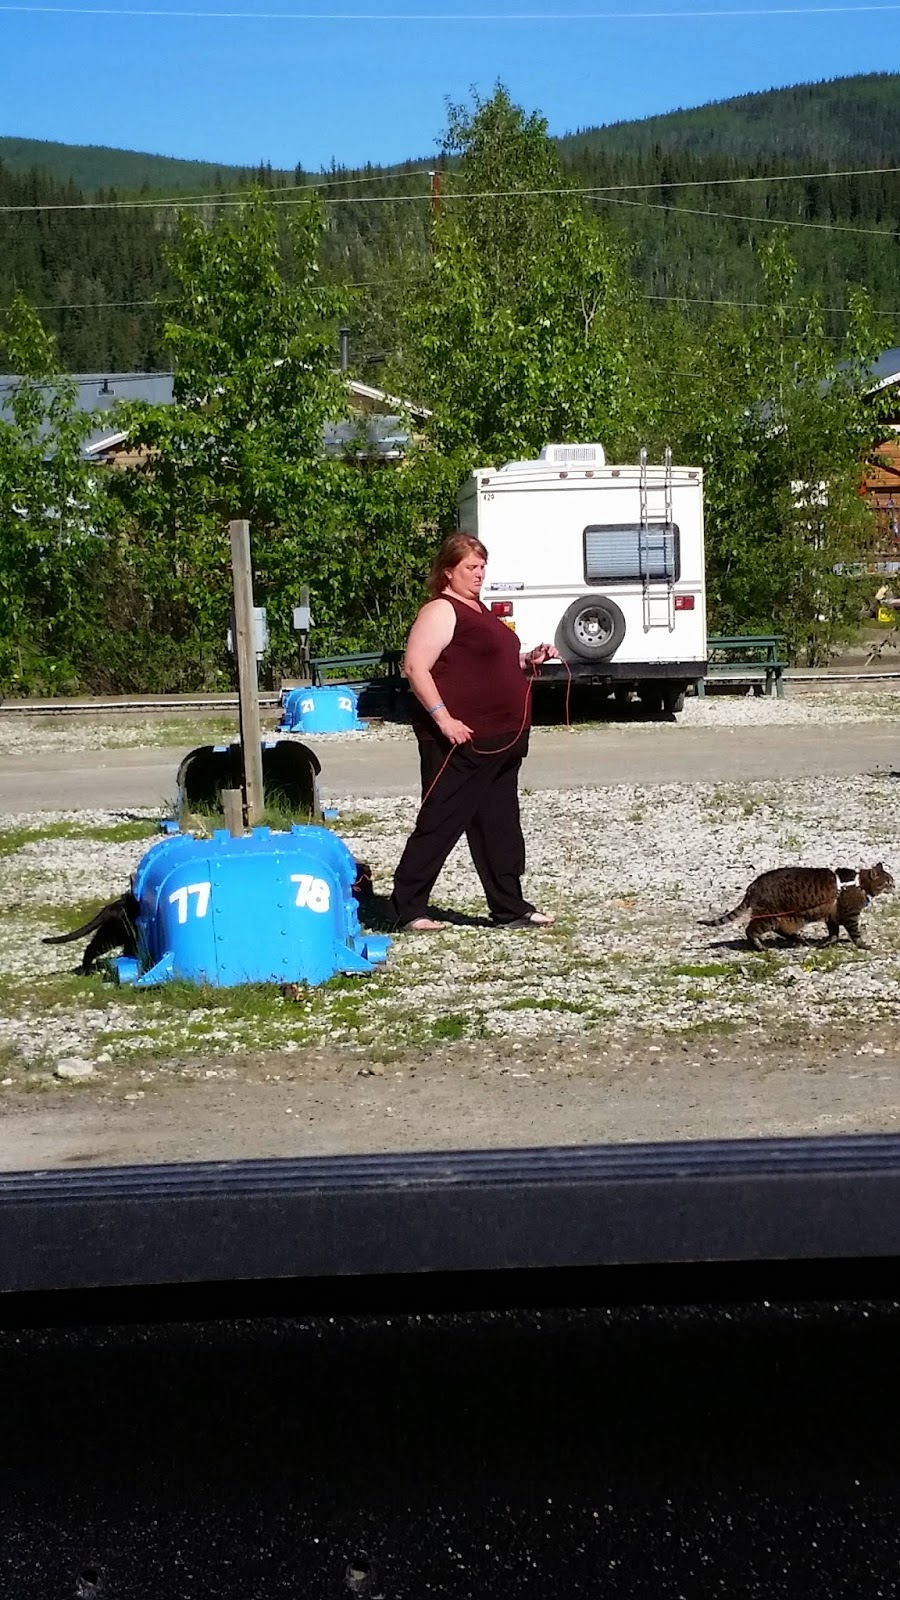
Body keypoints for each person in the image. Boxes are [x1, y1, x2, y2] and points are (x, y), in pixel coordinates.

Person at [391, 532, 558, 932]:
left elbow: (489, 664)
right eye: (471, 566)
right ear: (449, 571)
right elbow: (415, 666)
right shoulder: (441, 609)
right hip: (461, 740)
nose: (480, 573)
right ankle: (406, 908)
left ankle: (510, 907)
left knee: (500, 826)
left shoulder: (479, 610)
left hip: (502, 740)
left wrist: (527, 660)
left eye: (482, 566)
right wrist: (443, 718)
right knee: (441, 821)